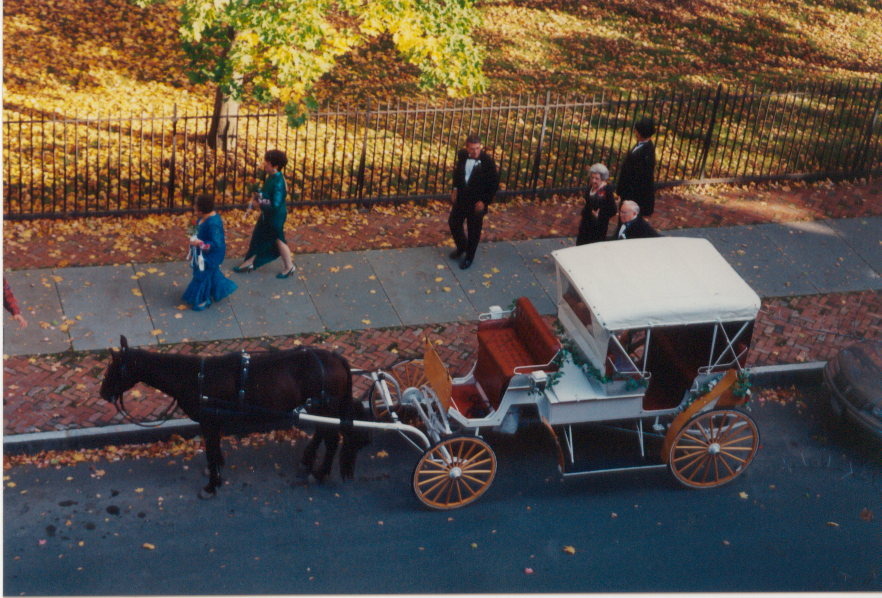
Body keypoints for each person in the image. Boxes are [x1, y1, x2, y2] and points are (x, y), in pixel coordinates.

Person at [234, 149, 296, 278]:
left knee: (275, 239)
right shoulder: (273, 177)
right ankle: (250, 262)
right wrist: (259, 196)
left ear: (275, 166)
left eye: (267, 163)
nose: (264, 164)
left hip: (275, 217)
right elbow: (268, 194)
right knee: (262, 237)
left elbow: (275, 204)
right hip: (269, 215)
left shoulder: (278, 182)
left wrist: (260, 203)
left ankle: (288, 266)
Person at [448, 134, 499, 270]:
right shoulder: (462, 155)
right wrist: (454, 189)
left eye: (477, 148)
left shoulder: (487, 162)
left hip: (477, 203)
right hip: (462, 198)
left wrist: (484, 201)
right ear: (467, 147)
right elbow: (458, 173)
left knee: (473, 230)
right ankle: (462, 247)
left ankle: (469, 257)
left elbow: (494, 184)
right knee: (454, 223)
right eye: (472, 149)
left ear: (480, 146)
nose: (475, 152)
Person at [182, 194, 238, 311]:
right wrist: (191, 232)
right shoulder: (202, 217)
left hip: (210, 256)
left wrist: (198, 243)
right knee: (211, 274)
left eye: (196, 207)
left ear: (202, 210)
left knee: (201, 275)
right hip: (201, 253)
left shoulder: (213, 224)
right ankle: (219, 289)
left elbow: (215, 243)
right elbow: (196, 226)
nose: (194, 208)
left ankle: (203, 299)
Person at [616, 117, 656, 217]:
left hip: (634, 196)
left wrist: (625, 193)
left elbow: (638, 178)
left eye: (636, 130)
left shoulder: (646, 154)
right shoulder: (642, 146)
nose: (634, 132)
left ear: (641, 133)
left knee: (627, 218)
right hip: (629, 194)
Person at [577, 163, 617, 245]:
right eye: (592, 177)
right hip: (586, 224)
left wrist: (599, 215)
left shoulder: (607, 191)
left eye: (596, 178)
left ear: (602, 179)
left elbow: (613, 210)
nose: (593, 180)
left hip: (598, 227)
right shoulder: (590, 188)